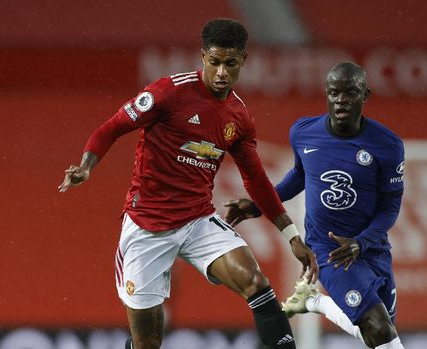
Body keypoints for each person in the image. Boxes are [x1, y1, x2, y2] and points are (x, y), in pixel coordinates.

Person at [58, 18, 317, 349]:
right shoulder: (169, 92)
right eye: (215, 62)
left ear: (243, 61)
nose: (222, 72)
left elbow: (256, 180)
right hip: (147, 227)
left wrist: (292, 236)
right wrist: (86, 166)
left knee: (256, 283)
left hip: (198, 221)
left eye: (231, 64)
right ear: (203, 57)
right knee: (147, 342)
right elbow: (111, 128)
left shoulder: (238, 117)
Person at [224, 61, 406, 349]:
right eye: (334, 93)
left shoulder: (387, 145)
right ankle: (315, 300)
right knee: (379, 329)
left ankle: (314, 301)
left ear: (366, 95)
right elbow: (299, 176)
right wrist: (259, 205)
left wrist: (361, 242)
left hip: (371, 247)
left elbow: (390, 208)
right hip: (329, 252)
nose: (341, 100)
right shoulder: (303, 132)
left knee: (380, 334)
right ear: (326, 94)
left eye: (350, 93)